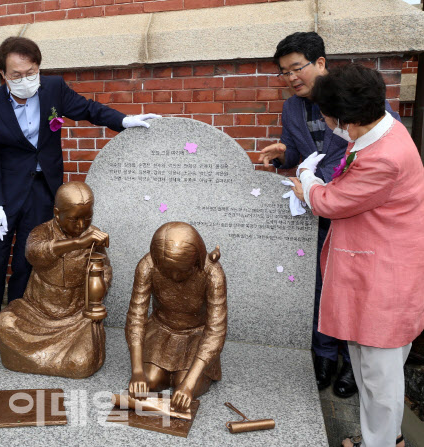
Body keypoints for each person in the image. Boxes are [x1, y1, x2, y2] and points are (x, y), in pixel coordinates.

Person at [0, 36, 160, 347]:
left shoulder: (53, 88)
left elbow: (87, 109)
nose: (25, 80)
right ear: (2, 75)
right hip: (3, 194)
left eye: (31, 72)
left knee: (28, 261)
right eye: (16, 75)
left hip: (42, 191)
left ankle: (16, 322)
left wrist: (124, 120)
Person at [290, 63, 424, 447]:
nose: (327, 122)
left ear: (346, 120)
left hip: (385, 278)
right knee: (372, 370)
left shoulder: (384, 157)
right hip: (377, 266)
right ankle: (386, 439)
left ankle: (382, 443)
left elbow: (331, 202)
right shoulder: (382, 130)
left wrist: (309, 184)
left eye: (328, 115)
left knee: (379, 378)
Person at [259, 32, 400, 397]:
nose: (291, 78)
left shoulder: (355, 99)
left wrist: (313, 181)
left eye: (296, 68)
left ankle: (354, 366)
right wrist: (284, 155)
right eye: (284, 72)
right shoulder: (292, 107)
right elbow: (302, 153)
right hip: (316, 211)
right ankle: (323, 356)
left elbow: (376, 144)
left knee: (355, 288)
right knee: (322, 285)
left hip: (357, 214)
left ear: (320, 63)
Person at [0, 182, 110, 378]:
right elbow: (34, 253)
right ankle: (42, 360)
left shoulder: (94, 236)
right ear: (57, 213)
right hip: (37, 313)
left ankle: (39, 360)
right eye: (74, 219)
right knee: (4, 323)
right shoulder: (41, 232)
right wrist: (77, 243)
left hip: (76, 317)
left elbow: (105, 269)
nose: (81, 225)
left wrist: (99, 288)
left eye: (87, 218)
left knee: (81, 363)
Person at [126, 222, 227, 412]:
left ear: (195, 260)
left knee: (187, 385)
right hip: (161, 330)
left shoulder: (212, 273)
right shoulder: (147, 266)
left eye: (182, 271)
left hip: (197, 335)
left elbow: (216, 330)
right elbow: (136, 317)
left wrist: (188, 384)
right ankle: (164, 373)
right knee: (150, 381)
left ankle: (181, 376)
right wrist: (137, 370)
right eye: (166, 270)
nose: (174, 276)